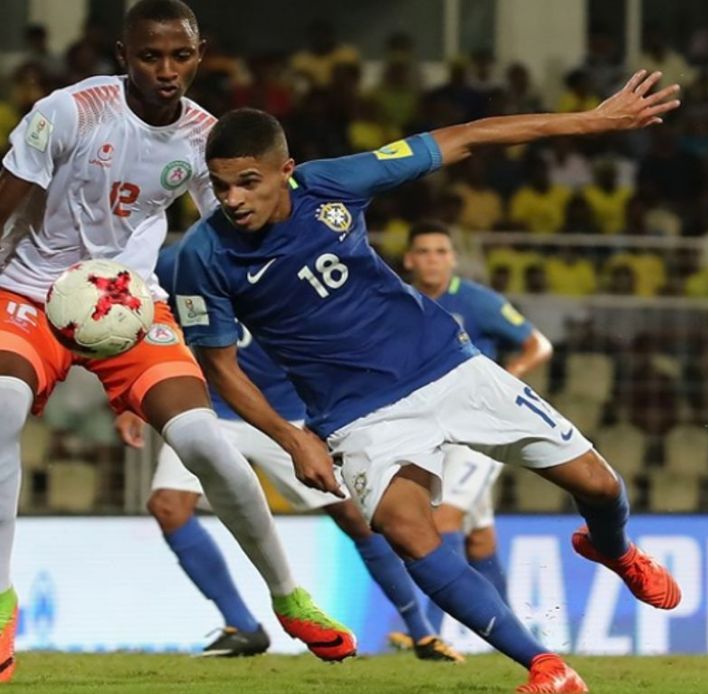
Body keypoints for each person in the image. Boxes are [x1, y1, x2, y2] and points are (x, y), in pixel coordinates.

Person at [169, 69, 681, 693]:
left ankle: (616, 550)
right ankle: (547, 667)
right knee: (408, 532)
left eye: (248, 182)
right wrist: (289, 435)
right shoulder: (202, 256)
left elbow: (466, 136)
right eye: (221, 186)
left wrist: (592, 122)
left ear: (286, 170)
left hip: (446, 366)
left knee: (599, 486)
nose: (234, 199)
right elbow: (219, 364)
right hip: (358, 416)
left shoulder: (333, 182)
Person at [0, 1, 352, 683]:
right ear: (124, 54)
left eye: (180, 56)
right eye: (150, 56)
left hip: (128, 304)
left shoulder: (206, 140)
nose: (166, 70)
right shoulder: (68, 112)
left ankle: (287, 595)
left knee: (207, 441)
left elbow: (239, 240)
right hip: (30, 291)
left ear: (200, 53)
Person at [116, 244, 462, 662]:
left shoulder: (302, 248)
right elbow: (142, 315)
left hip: (285, 414)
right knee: (169, 505)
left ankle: (421, 632)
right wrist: (132, 396)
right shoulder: (184, 258)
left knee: (355, 516)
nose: (236, 199)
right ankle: (242, 625)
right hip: (209, 407)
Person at [397, 220, 553, 638]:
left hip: (479, 431)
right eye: (424, 251)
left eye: (441, 251)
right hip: (429, 429)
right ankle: (518, 636)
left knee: (444, 518)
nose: (433, 259)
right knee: (480, 537)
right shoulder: (399, 302)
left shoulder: (477, 301)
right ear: (410, 259)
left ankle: (426, 633)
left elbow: (538, 345)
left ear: (453, 258)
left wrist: (507, 377)